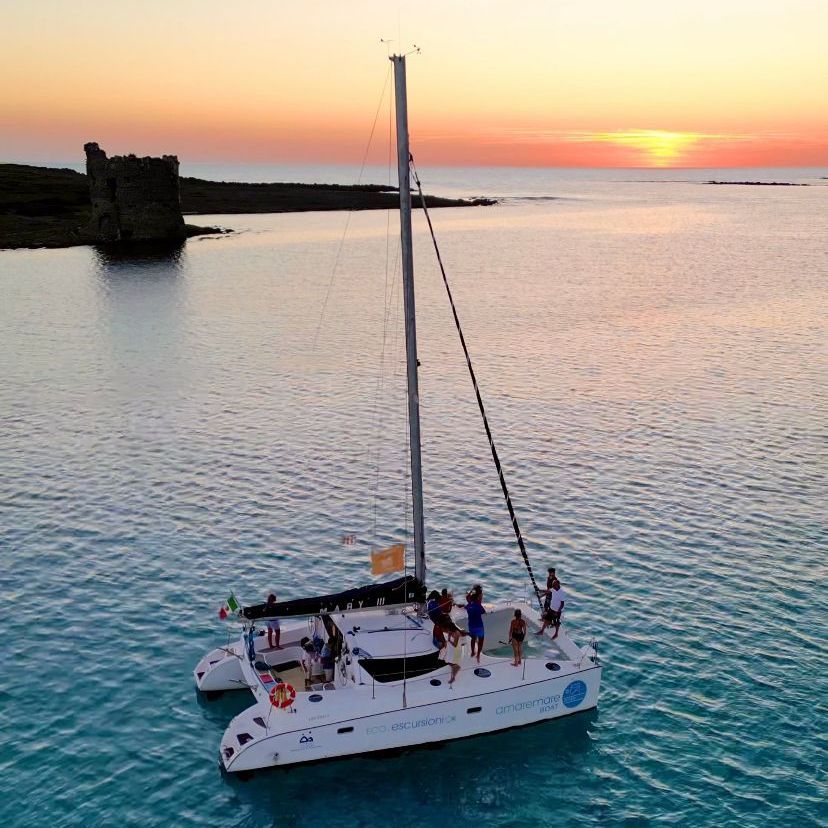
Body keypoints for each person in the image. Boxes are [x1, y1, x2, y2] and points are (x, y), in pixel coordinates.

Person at [463, 586, 486, 662]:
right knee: (481, 640)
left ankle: (473, 652)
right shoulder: (478, 606)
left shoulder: (468, 606)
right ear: (477, 598)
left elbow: (466, 604)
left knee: (473, 639)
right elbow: (483, 612)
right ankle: (478, 654)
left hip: (471, 626)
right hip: (479, 626)